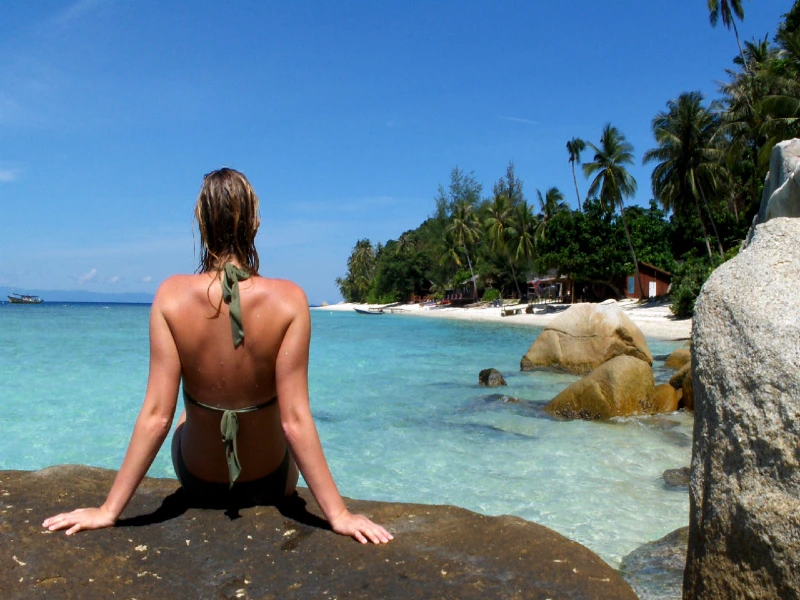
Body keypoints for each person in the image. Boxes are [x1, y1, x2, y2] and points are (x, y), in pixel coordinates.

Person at [43, 168, 393, 545]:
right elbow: (295, 422)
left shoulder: (170, 297)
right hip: (271, 484)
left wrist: (109, 510)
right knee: (273, 411)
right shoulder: (290, 300)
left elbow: (155, 418)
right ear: (255, 223)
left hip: (198, 481)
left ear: (201, 223)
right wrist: (337, 514)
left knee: (181, 413)